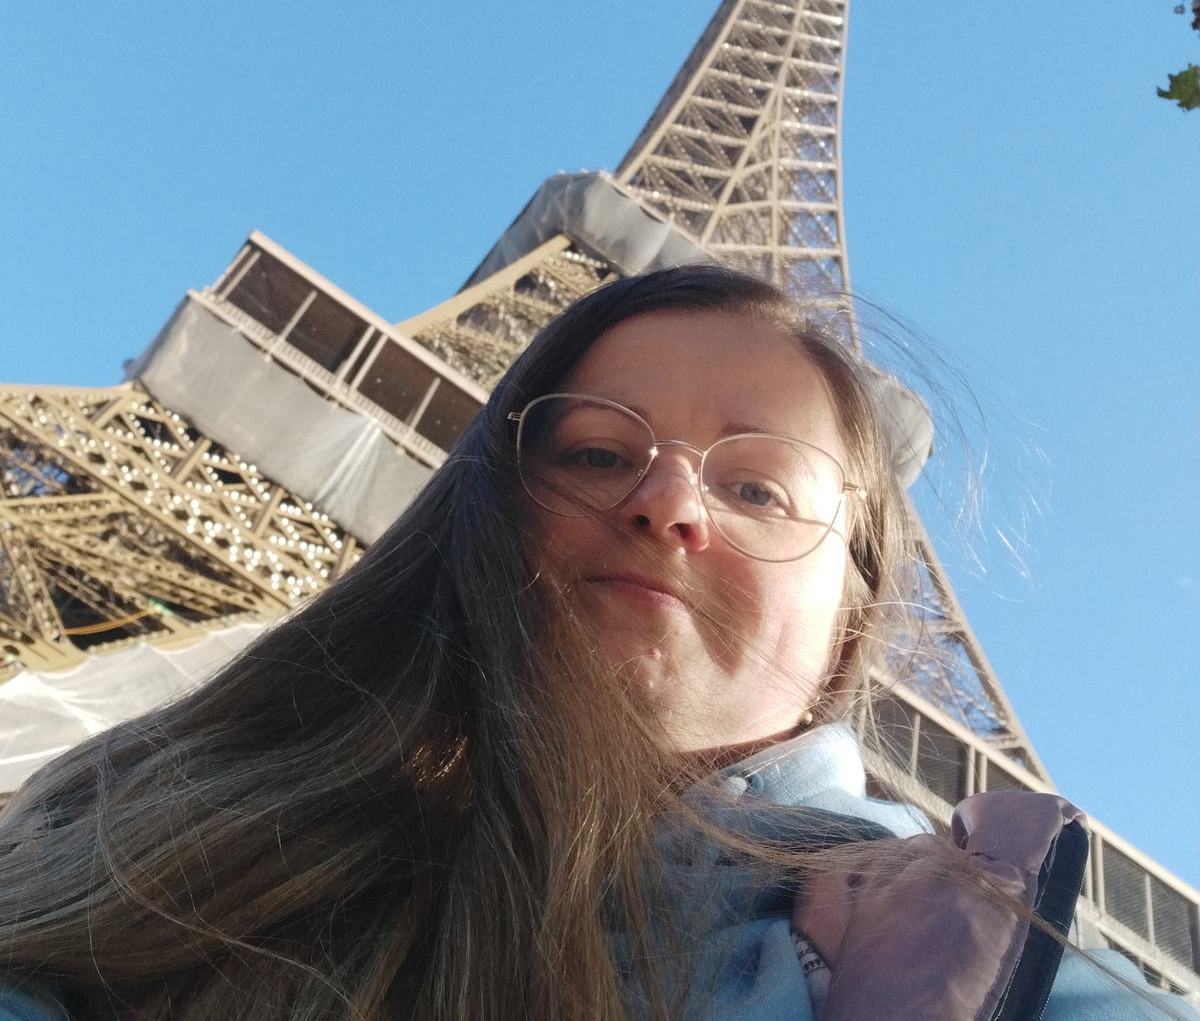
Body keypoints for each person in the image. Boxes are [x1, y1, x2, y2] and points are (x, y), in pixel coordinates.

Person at [0, 264, 1189, 1021]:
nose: (665, 502)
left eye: (762, 490)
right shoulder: (141, 834)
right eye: (592, 452)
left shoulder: (978, 959)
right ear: (478, 512)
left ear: (851, 620)